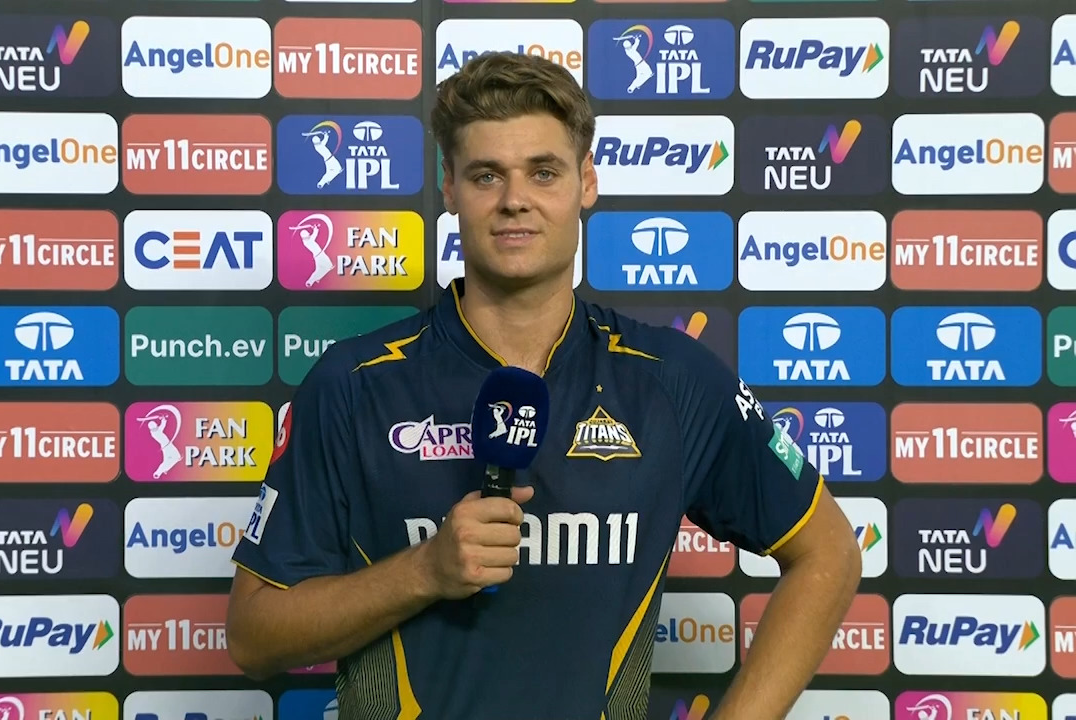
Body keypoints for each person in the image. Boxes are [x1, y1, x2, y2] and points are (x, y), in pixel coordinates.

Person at [227, 51, 862, 720]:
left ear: (586, 182)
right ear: (449, 188)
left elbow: (829, 554)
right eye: (486, 175)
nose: (515, 200)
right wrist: (425, 571)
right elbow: (253, 636)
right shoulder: (352, 384)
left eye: (543, 171)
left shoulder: (669, 379)